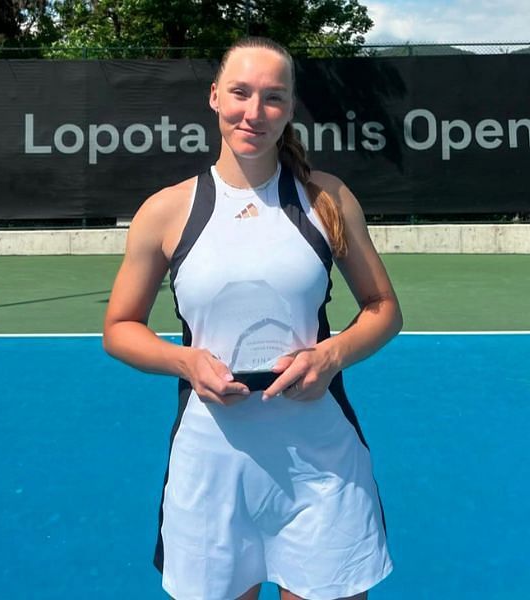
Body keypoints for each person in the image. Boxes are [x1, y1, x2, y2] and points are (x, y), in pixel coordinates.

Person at [103, 36, 401, 600]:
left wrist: (333, 354)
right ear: (215, 97)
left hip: (321, 462)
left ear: (289, 109)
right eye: (240, 93)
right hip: (211, 465)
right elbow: (119, 328)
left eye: (272, 98)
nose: (253, 111)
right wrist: (184, 361)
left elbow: (384, 309)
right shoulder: (166, 210)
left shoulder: (328, 199)